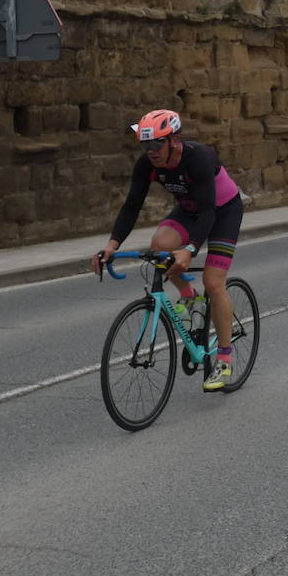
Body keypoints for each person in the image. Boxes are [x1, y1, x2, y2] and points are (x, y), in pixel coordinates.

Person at [92, 109, 245, 391]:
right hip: (189, 210)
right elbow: (132, 206)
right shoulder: (146, 164)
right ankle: (189, 297)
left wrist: (189, 249)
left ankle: (224, 359)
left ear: (174, 140)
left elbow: (209, 211)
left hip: (222, 212)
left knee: (213, 283)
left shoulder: (198, 158)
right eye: (144, 145)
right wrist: (112, 246)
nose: (150, 151)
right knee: (159, 246)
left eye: (155, 144)